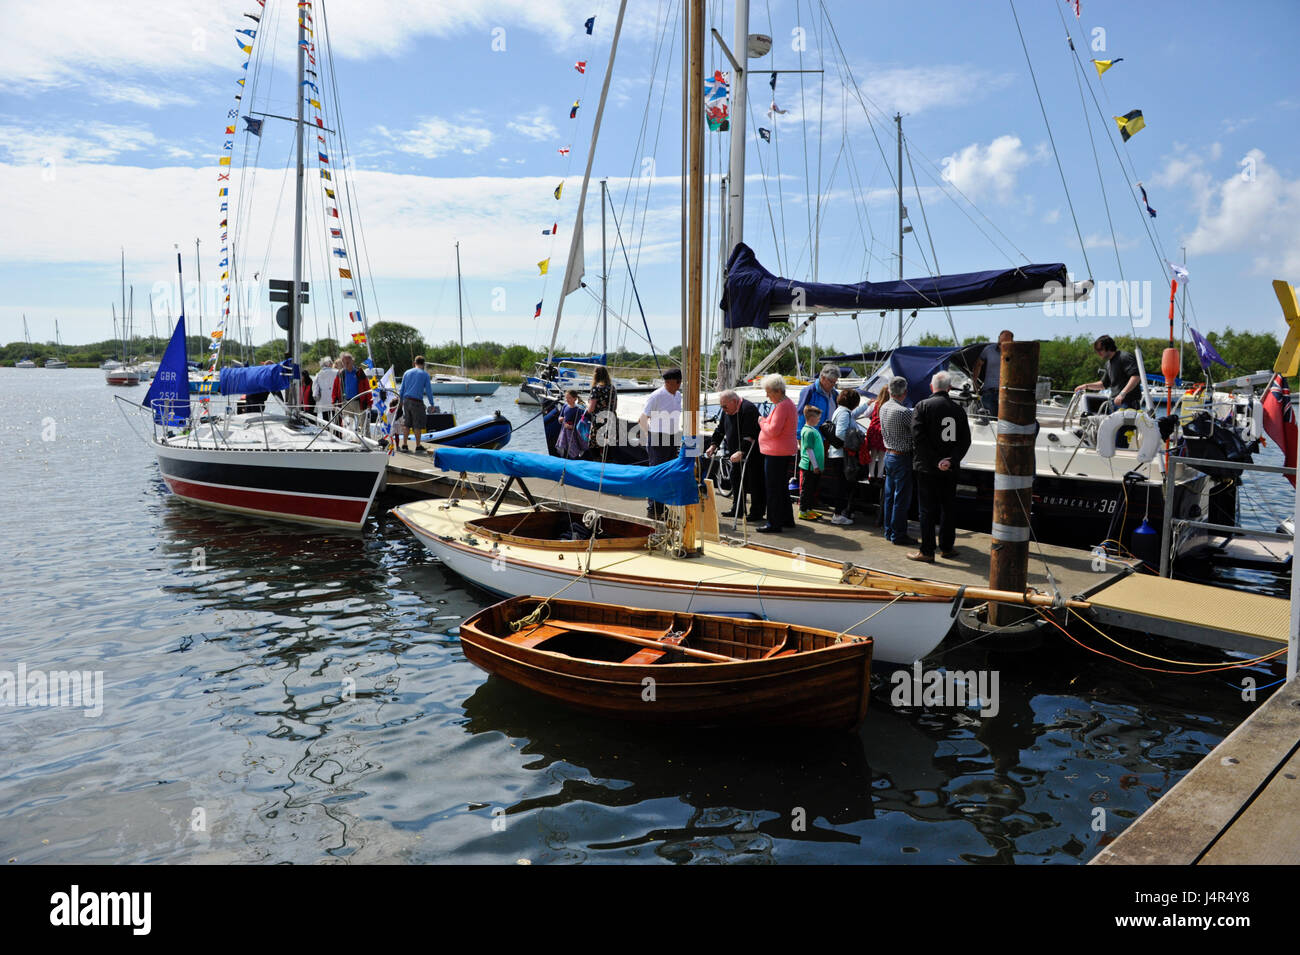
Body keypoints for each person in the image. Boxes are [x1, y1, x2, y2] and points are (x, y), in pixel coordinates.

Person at [909, 371, 972, 562]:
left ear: (931, 387)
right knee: (948, 508)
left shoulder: (922, 406)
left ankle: (927, 551)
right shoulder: (958, 409)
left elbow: (918, 438)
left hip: (927, 467)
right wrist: (950, 460)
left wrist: (936, 460)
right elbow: (965, 440)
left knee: (927, 510)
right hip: (950, 469)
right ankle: (947, 547)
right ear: (949, 388)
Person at [705, 389, 764, 521]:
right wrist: (713, 445)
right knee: (736, 478)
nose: (724, 409)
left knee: (755, 482)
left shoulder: (748, 409)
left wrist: (741, 451)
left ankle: (757, 512)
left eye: (725, 406)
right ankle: (737, 509)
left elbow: (750, 435)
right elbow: (720, 430)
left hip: (752, 451)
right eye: (722, 407)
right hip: (734, 452)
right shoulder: (727, 411)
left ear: (734, 401)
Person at [638, 367, 683, 518]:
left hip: (672, 437)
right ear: (669, 382)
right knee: (656, 473)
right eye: (678, 382)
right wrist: (647, 437)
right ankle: (653, 509)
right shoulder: (656, 396)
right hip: (657, 437)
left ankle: (661, 506)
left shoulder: (678, 395)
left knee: (668, 473)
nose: (680, 385)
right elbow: (643, 418)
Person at [755, 373, 797, 533]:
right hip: (782, 450)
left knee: (773, 488)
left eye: (769, 392)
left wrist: (762, 421)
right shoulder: (786, 404)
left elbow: (773, 431)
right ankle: (786, 519)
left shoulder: (782, 406)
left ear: (777, 391)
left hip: (776, 452)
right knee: (780, 487)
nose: (767, 395)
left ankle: (773, 523)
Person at [878, 377, 915, 545]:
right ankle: (898, 534)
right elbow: (916, 431)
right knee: (901, 499)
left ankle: (888, 531)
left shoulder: (883, 407)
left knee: (889, 497)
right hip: (902, 457)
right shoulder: (905, 412)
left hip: (889, 455)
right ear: (905, 392)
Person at [1075, 334, 1142, 410]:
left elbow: (1135, 377)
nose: (1098, 352)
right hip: (1114, 403)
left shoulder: (1125, 357)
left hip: (1128, 403)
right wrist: (1086, 386)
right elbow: (1103, 384)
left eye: (1100, 349)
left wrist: (1122, 394)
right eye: (1096, 350)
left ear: (1109, 347)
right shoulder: (1108, 364)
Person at [828, 389, 864, 525]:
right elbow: (840, 433)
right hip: (842, 455)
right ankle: (838, 514)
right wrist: (854, 442)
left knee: (842, 484)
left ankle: (840, 512)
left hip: (837, 453)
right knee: (842, 485)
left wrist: (867, 406)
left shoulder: (841, 411)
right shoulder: (844, 413)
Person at [398, 355, 438, 453]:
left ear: (414, 363)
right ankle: (418, 445)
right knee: (417, 424)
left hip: (406, 401)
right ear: (423, 364)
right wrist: (432, 404)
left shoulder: (406, 373)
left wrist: (400, 401)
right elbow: (428, 391)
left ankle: (404, 445)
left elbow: (402, 389)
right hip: (417, 402)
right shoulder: (425, 375)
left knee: (406, 423)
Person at [974, 330, 1014, 416]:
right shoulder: (989, 350)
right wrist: (974, 382)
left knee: (1003, 422)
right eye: (1001, 340)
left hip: (1006, 394)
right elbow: (978, 364)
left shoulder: (1015, 353)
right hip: (988, 392)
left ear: (1011, 341)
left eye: (1006, 341)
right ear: (999, 338)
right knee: (987, 422)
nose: (1002, 343)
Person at [331, 351, 372, 433]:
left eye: (348, 362)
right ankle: (349, 442)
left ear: (352, 361)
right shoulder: (340, 373)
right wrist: (334, 401)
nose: (346, 364)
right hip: (345, 403)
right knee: (348, 426)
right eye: (344, 362)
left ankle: (367, 442)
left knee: (364, 424)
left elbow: (367, 388)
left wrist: (369, 403)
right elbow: (335, 388)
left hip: (359, 402)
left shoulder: (359, 372)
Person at [797, 405, 826, 521]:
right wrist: (815, 466)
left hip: (814, 467)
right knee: (807, 489)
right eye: (818, 418)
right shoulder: (808, 431)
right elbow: (809, 450)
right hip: (810, 466)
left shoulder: (813, 430)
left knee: (812, 489)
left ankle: (808, 509)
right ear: (811, 417)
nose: (819, 420)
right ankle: (803, 511)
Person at [584, 365, 619, 459]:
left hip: (599, 420)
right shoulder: (612, 388)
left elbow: (591, 408)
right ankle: (608, 465)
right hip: (611, 419)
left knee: (594, 445)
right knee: (608, 445)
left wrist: (585, 411)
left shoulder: (596, 389)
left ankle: (598, 464)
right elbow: (615, 406)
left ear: (596, 375)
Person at [796, 364, 840, 434]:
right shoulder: (809, 392)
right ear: (822, 378)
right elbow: (800, 415)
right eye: (831, 382)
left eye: (835, 382)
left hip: (829, 439)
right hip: (812, 437)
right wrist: (799, 436)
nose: (833, 385)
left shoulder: (835, 394)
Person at [556, 389, 588, 459]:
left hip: (573, 433)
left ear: (575, 399)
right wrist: (560, 419)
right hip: (564, 431)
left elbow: (581, 422)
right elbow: (560, 416)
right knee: (564, 446)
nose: (567, 400)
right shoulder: (565, 406)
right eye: (566, 398)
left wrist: (572, 426)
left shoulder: (578, 409)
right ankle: (565, 459)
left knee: (573, 448)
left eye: (569, 398)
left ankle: (575, 459)